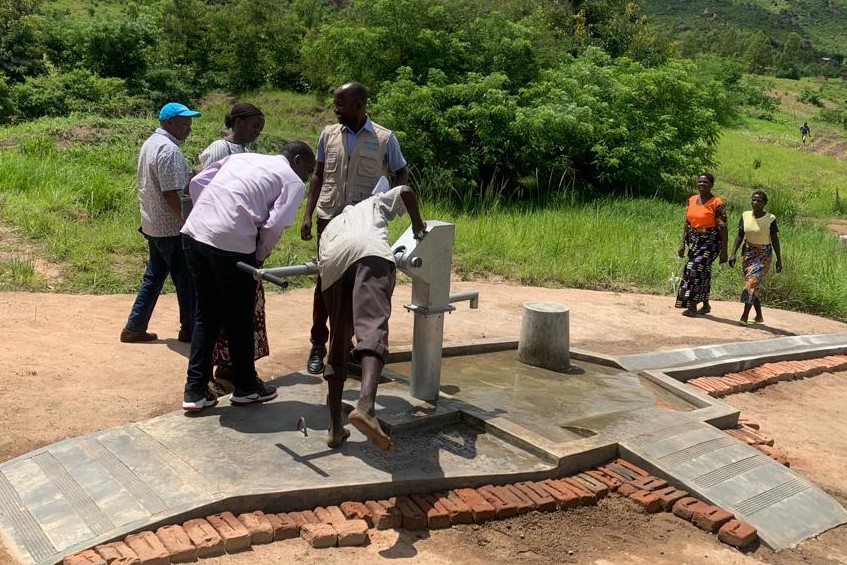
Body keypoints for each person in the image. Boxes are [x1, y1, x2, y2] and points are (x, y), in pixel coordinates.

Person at [180, 141, 315, 412]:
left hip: (194, 234)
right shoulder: (291, 180)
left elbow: (197, 182)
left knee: (206, 315)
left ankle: (195, 391)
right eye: (308, 171)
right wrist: (259, 257)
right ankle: (245, 387)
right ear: (298, 160)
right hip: (232, 246)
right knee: (238, 318)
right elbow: (275, 224)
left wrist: (210, 214)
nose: (307, 178)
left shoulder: (242, 158)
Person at [300, 81, 409, 376]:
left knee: (359, 286)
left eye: (340, 104)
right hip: (330, 218)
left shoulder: (384, 138)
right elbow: (318, 176)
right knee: (326, 283)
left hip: (364, 221)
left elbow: (401, 171)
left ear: (359, 105)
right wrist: (308, 215)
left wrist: (391, 202)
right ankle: (318, 344)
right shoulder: (328, 135)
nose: (335, 109)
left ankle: (347, 348)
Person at [319, 184, 426, 451]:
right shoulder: (373, 203)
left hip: (332, 266)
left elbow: (321, 272)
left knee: (339, 342)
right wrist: (417, 225)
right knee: (372, 328)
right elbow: (405, 191)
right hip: (370, 253)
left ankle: (334, 427)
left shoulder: (332, 226)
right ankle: (366, 406)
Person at [196, 103, 269, 390]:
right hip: (219, 243)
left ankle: (232, 369)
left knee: (244, 311)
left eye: (260, 129)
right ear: (236, 122)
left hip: (243, 242)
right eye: (253, 126)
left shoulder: (248, 155)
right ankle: (215, 374)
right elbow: (202, 190)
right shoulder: (218, 150)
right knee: (221, 311)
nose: (256, 133)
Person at [120, 102, 200, 344]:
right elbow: (170, 193)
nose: (188, 128)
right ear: (168, 123)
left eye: (189, 123)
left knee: (154, 276)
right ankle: (189, 329)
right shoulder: (168, 150)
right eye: (183, 123)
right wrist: (188, 223)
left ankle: (134, 327)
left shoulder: (150, 144)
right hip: (171, 228)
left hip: (153, 224)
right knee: (187, 280)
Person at [675, 172, 728, 317]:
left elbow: (723, 227)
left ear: (711, 185)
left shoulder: (717, 203)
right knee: (702, 271)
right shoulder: (691, 200)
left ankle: (692, 306)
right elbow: (687, 223)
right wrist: (682, 243)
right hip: (693, 240)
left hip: (710, 242)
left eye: (705, 182)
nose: (702, 184)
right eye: (700, 182)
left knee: (694, 269)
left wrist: (724, 250)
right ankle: (705, 304)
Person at [728, 190, 783, 325]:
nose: (755, 203)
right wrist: (733, 253)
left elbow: (775, 239)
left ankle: (744, 317)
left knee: (751, 283)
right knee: (753, 286)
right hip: (748, 253)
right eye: (753, 200)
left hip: (763, 256)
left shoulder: (770, 218)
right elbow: (740, 235)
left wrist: (779, 259)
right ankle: (759, 316)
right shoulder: (745, 215)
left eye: (759, 201)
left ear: (764, 203)